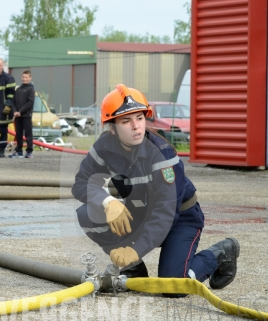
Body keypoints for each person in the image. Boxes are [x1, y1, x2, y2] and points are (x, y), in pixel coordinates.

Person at [72, 84, 239, 293]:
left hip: (180, 219)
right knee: (87, 214)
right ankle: (133, 269)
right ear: (112, 128)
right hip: (140, 213)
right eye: (126, 121)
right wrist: (108, 202)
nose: (136, 126)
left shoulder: (162, 155)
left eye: (140, 118)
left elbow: (165, 212)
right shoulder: (104, 147)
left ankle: (220, 253)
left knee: (173, 287)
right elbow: (81, 183)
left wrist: (134, 249)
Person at [9, 70, 35, 159]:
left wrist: (20, 111)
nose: (25, 79)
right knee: (18, 134)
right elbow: (13, 102)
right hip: (17, 116)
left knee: (28, 134)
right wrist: (15, 112)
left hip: (26, 115)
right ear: (21, 78)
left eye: (26, 77)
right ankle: (19, 151)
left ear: (30, 78)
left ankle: (29, 152)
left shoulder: (31, 89)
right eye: (23, 77)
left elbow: (30, 103)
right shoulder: (18, 90)